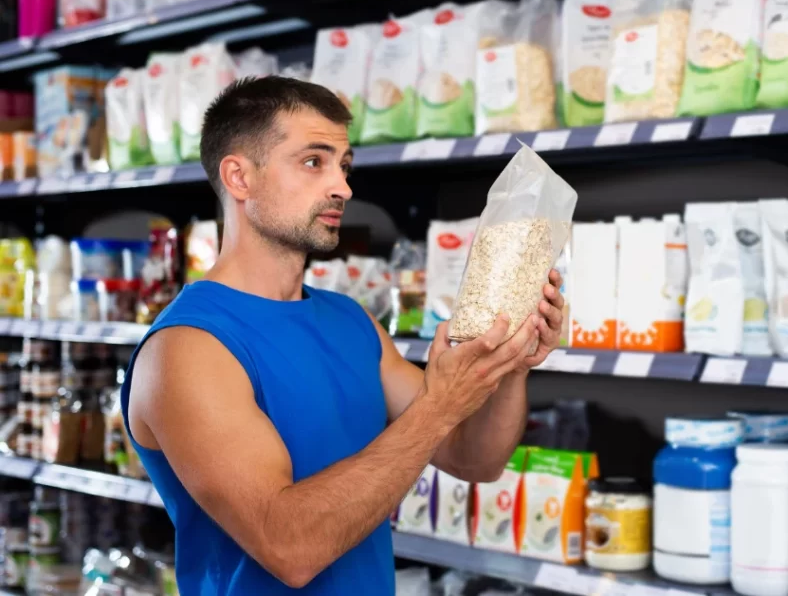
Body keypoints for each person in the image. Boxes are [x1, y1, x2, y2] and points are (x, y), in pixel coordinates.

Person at [122, 76, 565, 594]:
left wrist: (511, 362)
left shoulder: (351, 322)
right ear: (239, 177)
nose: (343, 187)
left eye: (344, 165)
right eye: (314, 162)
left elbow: (474, 458)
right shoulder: (187, 349)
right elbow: (289, 548)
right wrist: (439, 405)